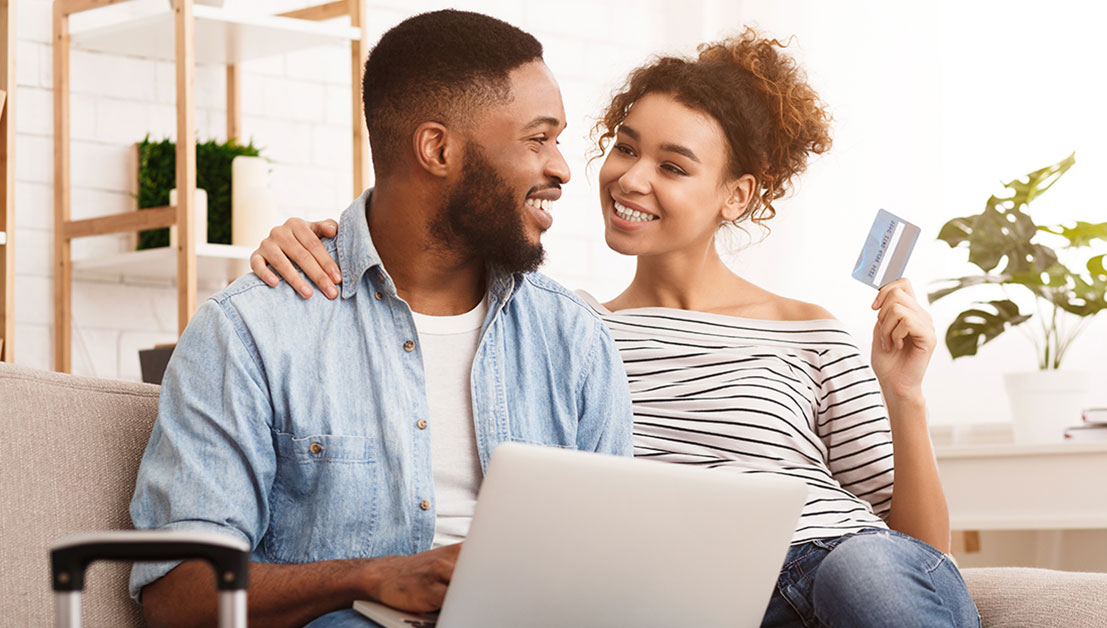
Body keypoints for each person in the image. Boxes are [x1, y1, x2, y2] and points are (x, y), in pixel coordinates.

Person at [255, 28, 980, 628]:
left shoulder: (808, 331)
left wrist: (904, 394)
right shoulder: (561, 332)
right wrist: (310, 242)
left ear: (736, 196)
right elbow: (423, 247)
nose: (630, 179)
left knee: (863, 569)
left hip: (839, 566)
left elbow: (915, 552)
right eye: (626, 148)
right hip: (706, 606)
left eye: (673, 165)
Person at [129, 10, 633, 628]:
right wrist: (371, 577)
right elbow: (176, 598)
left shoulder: (574, 337)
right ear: (437, 148)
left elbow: (609, 569)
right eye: (538, 139)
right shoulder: (253, 331)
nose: (559, 168)